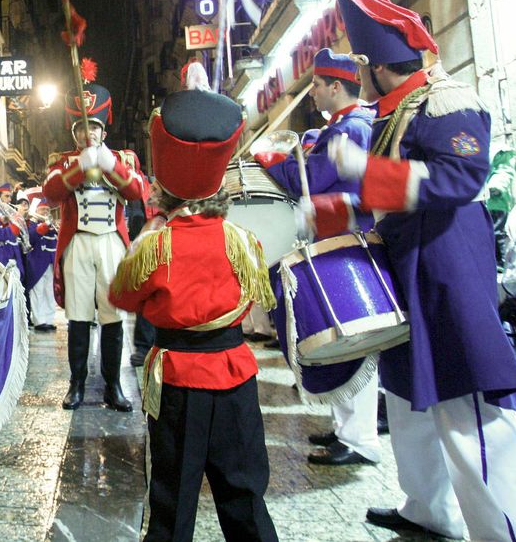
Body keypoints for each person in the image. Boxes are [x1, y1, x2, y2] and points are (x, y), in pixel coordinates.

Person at [311, 0, 516, 541]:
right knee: (408, 403)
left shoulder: (444, 101)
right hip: (407, 273)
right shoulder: (394, 109)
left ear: (374, 65)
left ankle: (498, 534)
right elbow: (396, 201)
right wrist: (339, 208)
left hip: (447, 275)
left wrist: (361, 171)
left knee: (467, 413)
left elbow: (456, 180)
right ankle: (426, 510)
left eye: (360, 62)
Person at [110, 86, 278, 542]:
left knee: (171, 504)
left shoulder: (155, 245)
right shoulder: (243, 241)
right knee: (245, 500)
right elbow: (255, 295)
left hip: (178, 383)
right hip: (235, 376)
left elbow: (122, 296)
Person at [254, 48, 381, 467]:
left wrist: (272, 160)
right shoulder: (343, 126)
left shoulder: (351, 129)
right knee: (343, 337)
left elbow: (313, 179)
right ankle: (347, 428)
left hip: (345, 241)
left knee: (353, 338)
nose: (311, 93)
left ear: (336, 87)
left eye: (317, 85)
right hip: (337, 239)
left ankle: (360, 438)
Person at [43, 80, 149, 412]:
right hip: (78, 243)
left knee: (112, 315)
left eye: (94, 127)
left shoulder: (122, 158)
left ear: (104, 129)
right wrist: (79, 166)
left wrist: (108, 165)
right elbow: (51, 192)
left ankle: (113, 384)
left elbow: (137, 191)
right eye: (81, 128)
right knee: (78, 316)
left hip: (111, 244)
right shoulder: (62, 160)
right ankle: (76, 384)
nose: (87, 134)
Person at [23, 194, 58, 332]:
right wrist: (44, 225)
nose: (45, 213)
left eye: (47, 210)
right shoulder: (31, 223)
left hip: (50, 262)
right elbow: (31, 237)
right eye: (42, 210)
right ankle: (39, 320)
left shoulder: (52, 226)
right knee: (38, 292)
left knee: (49, 292)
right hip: (37, 262)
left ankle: (49, 319)